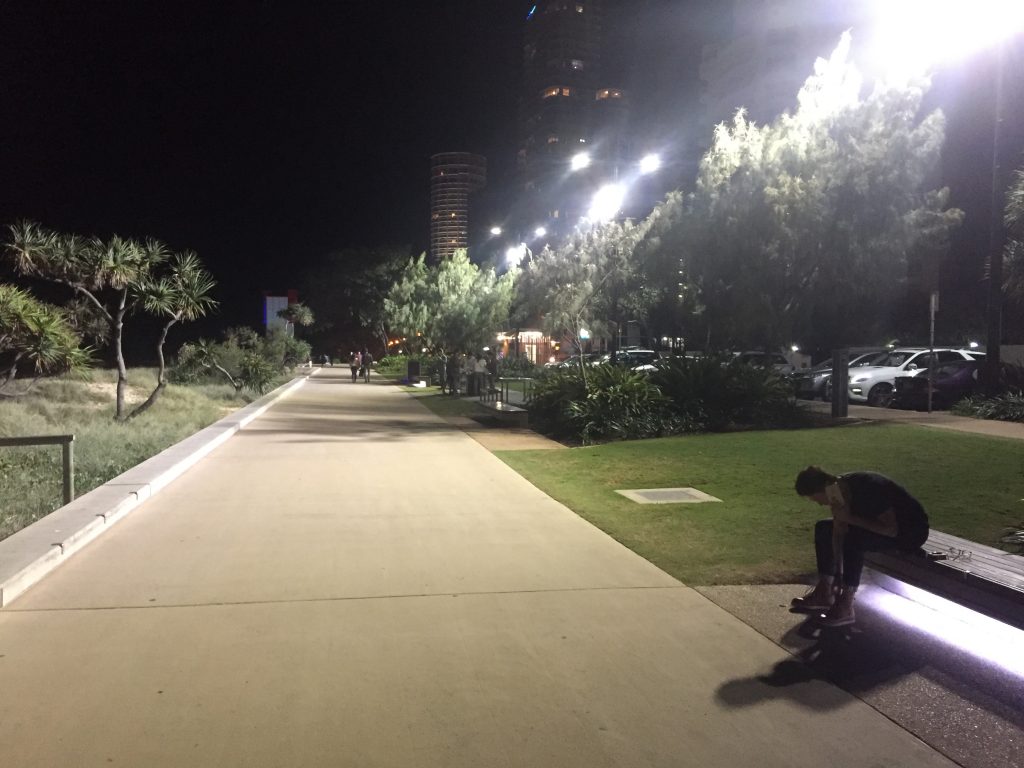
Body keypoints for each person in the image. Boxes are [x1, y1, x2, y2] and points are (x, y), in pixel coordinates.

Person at [792, 466, 929, 627]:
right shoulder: (836, 492)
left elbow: (891, 529)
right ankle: (825, 592)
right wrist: (838, 573)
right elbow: (838, 531)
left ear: (822, 490)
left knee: (854, 540)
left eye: (816, 499)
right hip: (880, 528)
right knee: (823, 528)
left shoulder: (869, 489)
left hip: (909, 532)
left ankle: (847, 603)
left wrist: (850, 518)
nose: (819, 504)